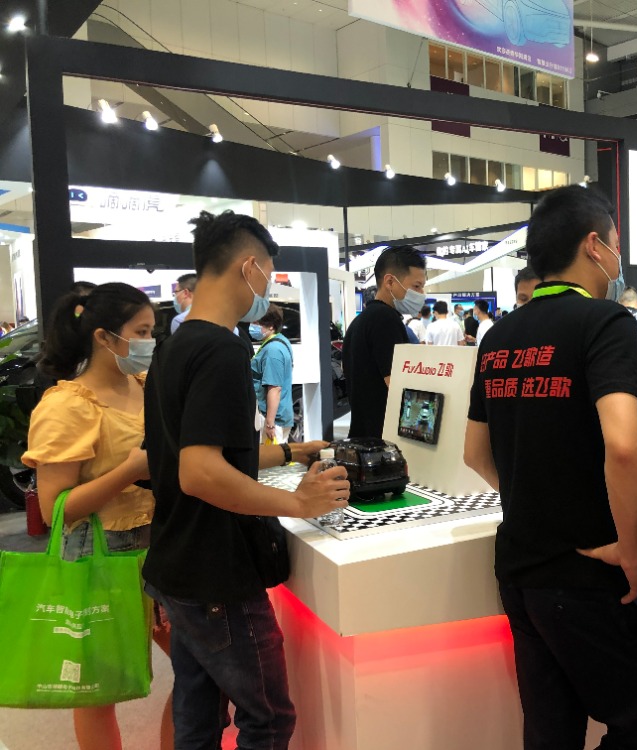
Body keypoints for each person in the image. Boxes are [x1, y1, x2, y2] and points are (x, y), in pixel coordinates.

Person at [464, 185, 637, 750]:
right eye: (615, 243)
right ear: (593, 245)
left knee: (550, 733)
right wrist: (632, 550)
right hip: (586, 572)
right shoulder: (605, 322)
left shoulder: (498, 337)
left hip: (519, 570)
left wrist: (533, 496)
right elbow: (626, 446)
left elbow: (474, 453)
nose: (617, 255)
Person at [142, 210, 350, 749]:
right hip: (218, 573)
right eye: (270, 275)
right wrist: (298, 503)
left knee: (198, 719)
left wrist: (288, 452)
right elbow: (199, 472)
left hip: (177, 562)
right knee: (268, 719)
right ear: (249, 267)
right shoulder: (222, 349)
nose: (269, 288)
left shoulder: (173, 347)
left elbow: (194, 451)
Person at [22, 282, 173, 750]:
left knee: (201, 670)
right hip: (99, 552)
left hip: (162, 544)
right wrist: (128, 471)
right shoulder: (67, 405)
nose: (150, 341)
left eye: (152, 331)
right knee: (96, 691)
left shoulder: (146, 386)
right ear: (104, 337)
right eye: (141, 331)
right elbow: (55, 509)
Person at [343, 245, 427, 438]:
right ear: (390, 281)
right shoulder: (385, 319)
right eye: (416, 286)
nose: (422, 293)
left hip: (363, 433)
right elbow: (398, 385)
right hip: (382, 438)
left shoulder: (361, 321)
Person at [250, 304, 295, 444]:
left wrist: (269, 423)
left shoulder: (273, 351)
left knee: (271, 456)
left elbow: (274, 388)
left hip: (273, 419)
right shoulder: (280, 341)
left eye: (257, 323)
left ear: (270, 326)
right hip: (277, 416)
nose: (252, 326)